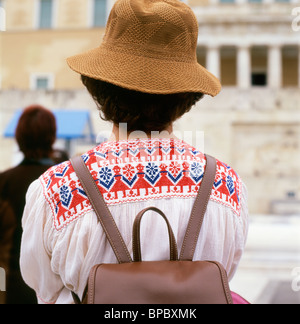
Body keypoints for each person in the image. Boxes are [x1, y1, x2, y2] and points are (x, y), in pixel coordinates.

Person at [20, 0, 249, 304]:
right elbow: (223, 278)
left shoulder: (56, 189)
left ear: (99, 86)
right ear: (186, 96)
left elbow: (45, 290)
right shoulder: (226, 185)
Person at [0, 105, 57, 304]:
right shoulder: (65, 181)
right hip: (56, 291)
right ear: (51, 137)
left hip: (10, 289)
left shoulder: (3, 182)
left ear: (19, 137)